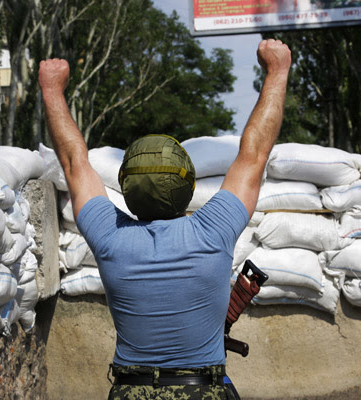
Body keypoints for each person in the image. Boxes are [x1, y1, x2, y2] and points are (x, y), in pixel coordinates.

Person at [39, 38, 291, 400]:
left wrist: (51, 89)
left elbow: (74, 162)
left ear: (124, 188)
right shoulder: (213, 231)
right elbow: (254, 153)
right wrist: (277, 70)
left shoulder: (110, 237)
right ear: (189, 186)